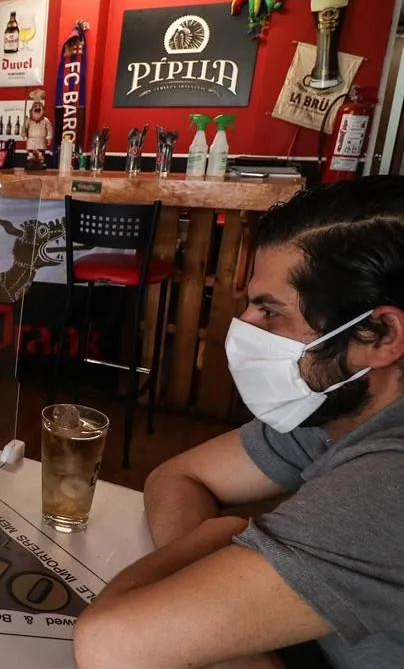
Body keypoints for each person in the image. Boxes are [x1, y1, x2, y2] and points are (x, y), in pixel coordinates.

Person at [74, 175, 404, 669]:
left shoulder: (387, 481)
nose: (242, 326)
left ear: (379, 335)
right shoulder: (329, 411)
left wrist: (220, 534)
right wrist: (224, 602)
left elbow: (109, 643)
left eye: (271, 311)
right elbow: (175, 477)